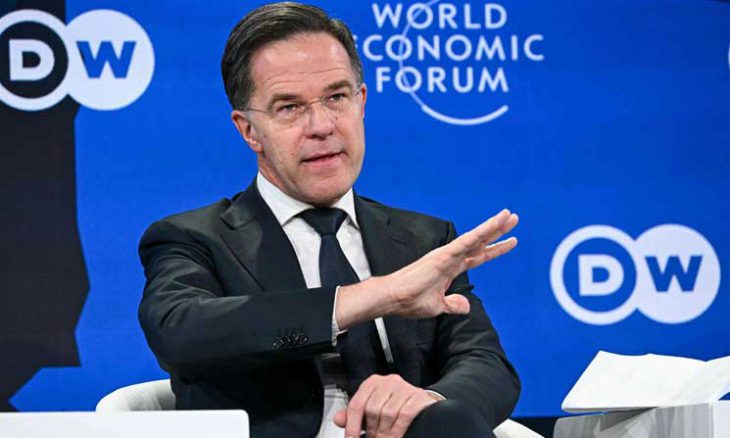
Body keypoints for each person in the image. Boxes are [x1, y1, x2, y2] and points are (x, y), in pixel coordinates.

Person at [138, 3, 520, 437]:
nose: (322, 126)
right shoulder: (193, 239)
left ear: (362, 102)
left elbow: (486, 364)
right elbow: (181, 332)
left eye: (337, 97)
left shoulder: (424, 239)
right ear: (249, 131)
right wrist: (380, 295)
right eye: (289, 107)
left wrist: (426, 401)